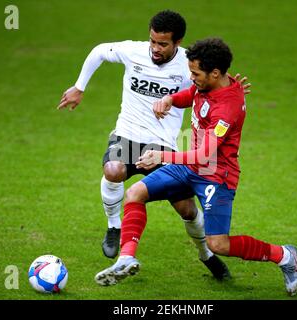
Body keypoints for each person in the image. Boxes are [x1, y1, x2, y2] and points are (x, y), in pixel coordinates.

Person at [94, 38, 297, 296]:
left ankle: (284, 255)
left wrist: (161, 157)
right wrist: (170, 99)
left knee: (219, 244)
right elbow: (191, 95)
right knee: (135, 193)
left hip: (216, 176)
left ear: (215, 74)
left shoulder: (227, 108)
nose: (190, 77)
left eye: (195, 73)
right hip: (190, 166)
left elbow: (205, 155)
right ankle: (126, 258)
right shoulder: (209, 83)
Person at [58, 10, 250, 281]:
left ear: (178, 42)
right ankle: (115, 227)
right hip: (127, 134)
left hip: (164, 144)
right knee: (113, 170)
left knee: (186, 209)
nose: (155, 49)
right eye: (153, 41)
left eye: (163, 44)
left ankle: (206, 252)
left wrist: (231, 88)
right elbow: (100, 51)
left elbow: (214, 82)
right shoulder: (133, 52)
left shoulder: (189, 65)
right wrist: (79, 87)